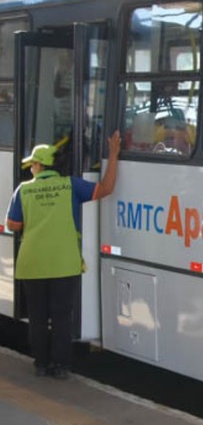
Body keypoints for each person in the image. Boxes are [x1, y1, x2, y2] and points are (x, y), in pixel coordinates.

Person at [5, 131, 121, 379]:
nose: (31, 169)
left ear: (39, 165)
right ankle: (61, 366)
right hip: (64, 263)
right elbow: (107, 188)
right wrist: (113, 155)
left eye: (32, 165)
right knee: (61, 317)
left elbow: (13, 224)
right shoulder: (72, 185)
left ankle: (41, 364)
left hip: (33, 264)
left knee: (37, 316)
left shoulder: (24, 190)